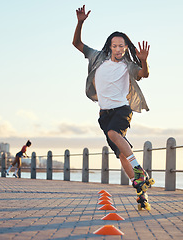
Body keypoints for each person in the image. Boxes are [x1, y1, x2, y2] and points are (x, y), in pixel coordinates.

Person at [72, 5, 151, 189]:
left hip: (122, 109)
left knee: (113, 133)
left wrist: (144, 60)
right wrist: (80, 23)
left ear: (125, 48)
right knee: (121, 154)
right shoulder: (96, 57)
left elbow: (143, 74)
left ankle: (138, 169)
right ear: (109, 46)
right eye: (114, 46)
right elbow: (77, 43)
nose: (117, 49)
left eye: (121, 46)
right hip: (104, 114)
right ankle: (140, 186)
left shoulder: (128, 65)